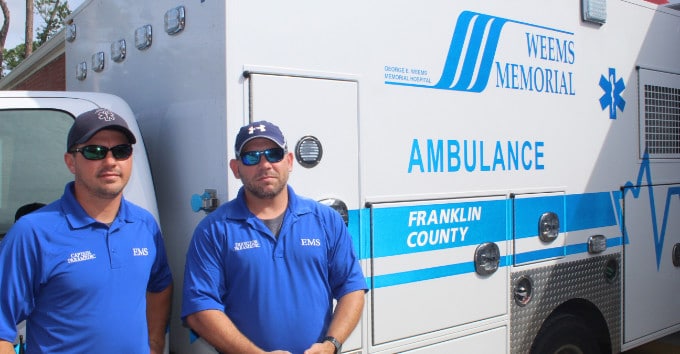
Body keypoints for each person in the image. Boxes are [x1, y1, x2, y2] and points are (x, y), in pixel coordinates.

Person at [182, 120, 367, 354]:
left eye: (274, 154)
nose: (265, 164)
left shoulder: (325, 220)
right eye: (252, 157)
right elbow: (200, 309)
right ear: (235, 168)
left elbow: (352, 288)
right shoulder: (214, 230)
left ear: (289, 161)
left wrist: (332, 345)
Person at [0, 108, 173, 354]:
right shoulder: (33, 233)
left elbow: (160, 284)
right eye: (95, 151)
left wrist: (154, 343)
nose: (110, 161)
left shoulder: (144, 224)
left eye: (121, 151)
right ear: (71, 162)